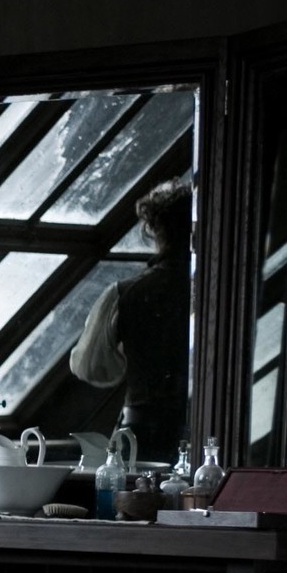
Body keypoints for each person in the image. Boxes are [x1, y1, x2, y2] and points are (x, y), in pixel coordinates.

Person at [68, 179, 194, 459]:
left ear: (153, 229)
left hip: (139, 433)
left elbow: (90, 366)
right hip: (200, 431)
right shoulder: (211, 290)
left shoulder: (127, 293)